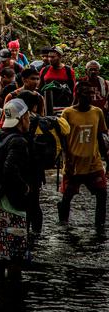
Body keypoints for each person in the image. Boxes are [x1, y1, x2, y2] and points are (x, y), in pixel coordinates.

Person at [0, 99, 34, 281]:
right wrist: (25, 187)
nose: (29, 121)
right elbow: (9, 170)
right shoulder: (18, 141)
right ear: (22, 118)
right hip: (12, 206)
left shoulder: (0, 135)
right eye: (28, 117)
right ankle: (14, 299)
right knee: (15, 256)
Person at [57, 84, 108, 231]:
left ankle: (100, 226)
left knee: (102, 194)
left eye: (91, 94)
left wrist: (106, 156)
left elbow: (100, 136)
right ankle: (63, 225)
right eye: (86, 94)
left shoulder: (97, 112)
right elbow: (63, 138)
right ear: (78, 95)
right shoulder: (68, 113)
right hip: (74, 163)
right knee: (67, 196)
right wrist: (67, 158)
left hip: (94, 162)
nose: (90, 97)